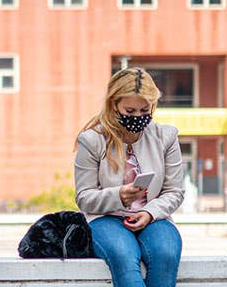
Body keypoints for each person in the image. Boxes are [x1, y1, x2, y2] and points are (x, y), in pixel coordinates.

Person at [74, 67, 184, 287]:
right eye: (130, 110)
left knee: (166, 254)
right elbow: (84, 197)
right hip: (105, 218)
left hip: (154, 217)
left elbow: (175, 191)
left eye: (145, 110)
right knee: (122, 257)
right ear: (113, 104)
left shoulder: (166, 136)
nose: (138, 117)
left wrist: (149, 213)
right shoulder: (91, 140)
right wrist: (118, 196)